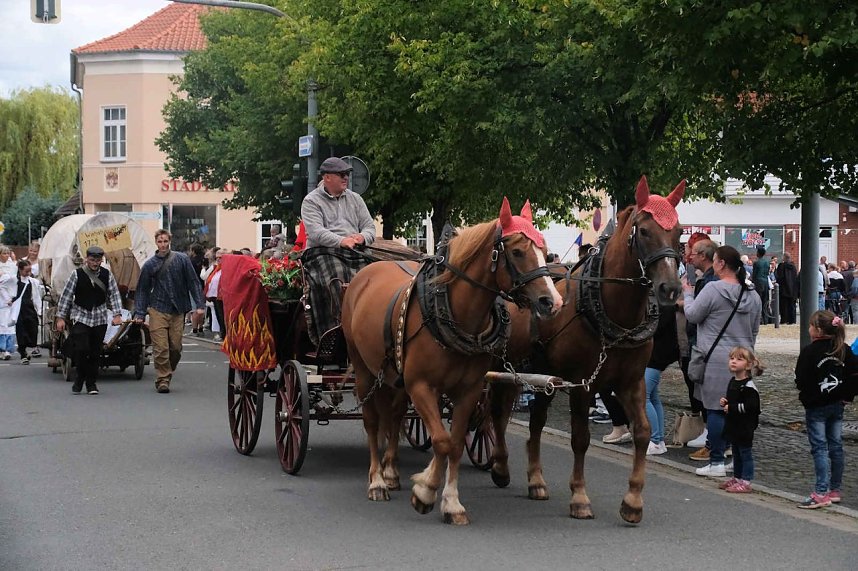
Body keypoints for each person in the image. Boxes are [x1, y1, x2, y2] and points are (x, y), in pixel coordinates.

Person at [683, 245, 762, 478]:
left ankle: (716, 459)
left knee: (716, 410)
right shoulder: (753, 295)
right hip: (744, 356)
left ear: (721, 264)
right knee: (736, 411)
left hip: (716, 358)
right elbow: (755, 329)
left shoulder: (713, 290)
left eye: (715, 260)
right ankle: (733, 458)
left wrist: (688, 294)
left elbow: (693, 315)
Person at [794, 310, 857, 508]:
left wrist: (806, 397)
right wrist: (847, 395)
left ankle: (821, 492)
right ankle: (834, 489)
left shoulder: (810, 352)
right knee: (835, 447)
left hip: (816, 406)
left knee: (820, 447)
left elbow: (802, 378)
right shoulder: (844, 349)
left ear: (818, 330)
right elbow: (855, 375)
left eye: (811, 325)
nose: (809, 329)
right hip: (837, 405)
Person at [134, 229, 205, 394]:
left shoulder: (182, 259)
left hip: (178, 309)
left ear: (169, 242)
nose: (163, 244)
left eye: (165, 241)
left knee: (175, 348)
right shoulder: (150, 264)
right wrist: (139, 312)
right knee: (160, 347)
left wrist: (199, 305)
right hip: (158, 308)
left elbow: (193, 282)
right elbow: (142, 290)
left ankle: (166, 368)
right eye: (160, 241)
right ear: (156, 242)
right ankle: (163, 379)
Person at [55, 246, 123, 395]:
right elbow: (66, 296)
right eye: (92, 260)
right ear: (86, 259)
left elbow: (114, 294)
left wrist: (117, 314)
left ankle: (91, 383)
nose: (95, 263)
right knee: (81, 349)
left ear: (101, 260)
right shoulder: (77, 274)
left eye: (98, 260)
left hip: (100, 318)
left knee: (95, 352)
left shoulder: (107, 275)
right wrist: (60, 317)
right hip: (81, 316)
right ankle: (80, 377)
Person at [683, 238, 717, 454]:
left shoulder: (708, 282)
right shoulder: (707, 279)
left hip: (703, 344)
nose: (690, 256)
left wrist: (686, 295)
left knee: (706, 392)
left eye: (693, 253)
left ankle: (711, 440)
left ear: (703, 256)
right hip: (704, 342)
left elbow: (695, 313)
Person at [301, 157, 376, 250]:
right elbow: (316, 232)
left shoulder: (356, 198)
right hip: (323, 251)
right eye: (341, 174)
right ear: (327, 177)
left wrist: (362, 237)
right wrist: (342, 241)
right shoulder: (311, 201)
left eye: (347, 174)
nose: (346, 177)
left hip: (355, 250)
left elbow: (369, 227)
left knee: (380, 264)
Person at [718, 346, 764, 493]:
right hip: (734, 424)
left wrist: (732, 407)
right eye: (732, 358)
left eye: (739, 359)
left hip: (744, 426)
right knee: (736, 453)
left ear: (748, 365)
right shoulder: (733, 382)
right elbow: (733, 400)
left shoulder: (748, 386)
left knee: (745, 453)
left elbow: (752, 407)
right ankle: (737, 477)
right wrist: (726, 402)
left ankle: (746, 480)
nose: (733, 362)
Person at [645, 304, 680, 455]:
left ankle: (655, 439)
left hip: (655, 356)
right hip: (658, 355)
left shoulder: (663, 306)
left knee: (643, 396)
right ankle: (658, 441)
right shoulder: (666, 305)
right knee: (652, 397)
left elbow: (654, 329)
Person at [8, 260, 43, 364]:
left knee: (33, 328)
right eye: (26, 271)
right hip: (19, 309)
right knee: (21, 331)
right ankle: (23, 353)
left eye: (29, 271)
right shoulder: (14, 280)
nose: (28, 273)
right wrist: (9, 299)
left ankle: (31, 346)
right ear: (20, 270)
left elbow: (36, 297)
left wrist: (39, 310)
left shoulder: (33, 282)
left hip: (30, 308)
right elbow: (4, 288)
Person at [0, 245, 18, 359]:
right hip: (2, 298)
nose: (6, 255)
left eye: (8, 253)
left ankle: (7, 348)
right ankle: (2, 349)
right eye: (4, 253)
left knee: (10, 324)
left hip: (11, 296)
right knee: (2, 323)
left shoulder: (12, 265)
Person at [774, 252, 799, 324]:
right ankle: (792, 320)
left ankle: (784, 320)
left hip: (783, 290)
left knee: (783, 306)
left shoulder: (781, 266)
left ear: (784, 258)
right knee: (791, 306)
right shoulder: (793, 267)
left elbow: (779, 277)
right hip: (792, 290)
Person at [751, 246, 771, 324]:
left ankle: (759, 319)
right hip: (765, 282)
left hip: (758, 283)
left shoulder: (756, 263)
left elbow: (754, 274)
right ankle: (766, 319)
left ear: (758, 253)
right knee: (765, 301)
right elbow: (767, 272)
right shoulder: (767, 262)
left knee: (758, 301)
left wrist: (753, 281)